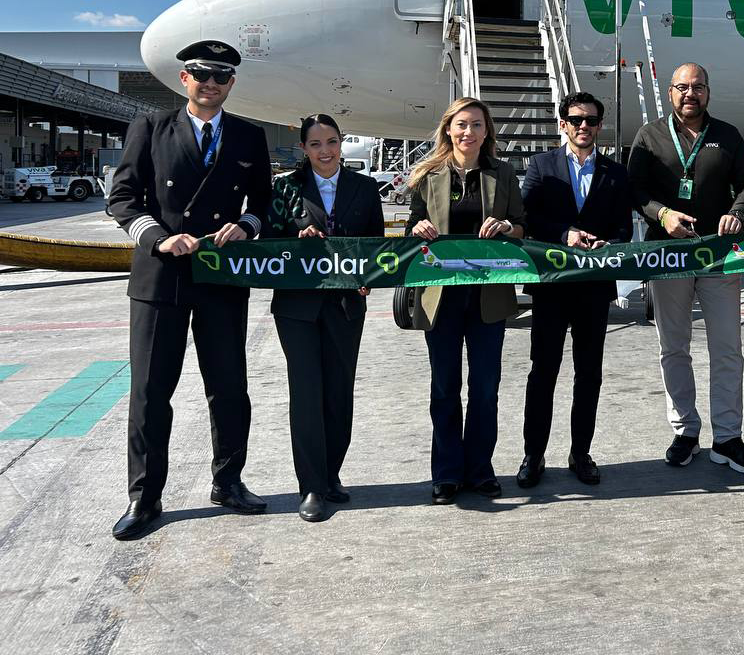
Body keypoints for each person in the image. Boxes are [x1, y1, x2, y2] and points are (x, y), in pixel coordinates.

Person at [106, 40, 272, 540]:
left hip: (220, 275)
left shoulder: (248, 135)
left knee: (229, 387)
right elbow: (122, 198)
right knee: (150, 391)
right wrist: (158, 237)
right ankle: (144, 496)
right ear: (185, 79)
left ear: (231, 83)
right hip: (162, 277)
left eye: (221, 76)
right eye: (202, 74)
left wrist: (246, 225)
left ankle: (228, 481)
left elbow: (263, 203)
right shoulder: (151, 127)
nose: (211, 83)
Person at [627, 62, 744, 474]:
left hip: (717, 255)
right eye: (683, 87)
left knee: (728, 349)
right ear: (670, 92)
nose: (691, 94)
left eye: (698, 87)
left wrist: (738, 213)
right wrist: (662, 213)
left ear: (708, 92)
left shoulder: (727, 135)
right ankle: (685, 430)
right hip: (668, 256)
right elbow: (634, 190)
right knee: (674, 347)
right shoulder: (649, 135)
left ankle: (728, 437)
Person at [406, 97, 526, 505]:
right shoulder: (428, 174)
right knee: (444, 388)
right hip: (441, 298)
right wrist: (417, 228)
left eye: (476, 124)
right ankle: (446, 473)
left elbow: (521, 225)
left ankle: (480, 470)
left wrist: (507, 226)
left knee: (485, 389)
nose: (468, 132)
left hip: (487, 297)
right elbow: (411, 229)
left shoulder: (502, 173)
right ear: (448, 129)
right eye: (461, 124)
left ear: (486, 131)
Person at [266, 114, 386, 522]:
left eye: (331, 142)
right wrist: (295, 238)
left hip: (346, 304)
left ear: (341, 142)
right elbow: (268, 241)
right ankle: (312, 486)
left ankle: (331, 473)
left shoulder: (365, 188)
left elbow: (375, 245)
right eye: (315, 144)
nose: (325, 151)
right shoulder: (285, 188)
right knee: (306, 394)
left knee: (338, 392)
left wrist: (369, 278)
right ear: (303, 148)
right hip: (297, 307)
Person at [517, 92, 633, 488]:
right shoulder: (541, 165)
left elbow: (624, 227)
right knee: (543, 371)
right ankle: (533, 454)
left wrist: (607, 243)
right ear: (563, 123)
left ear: (600, 126)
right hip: (552, 286)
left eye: (592, 120)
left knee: (589, 374)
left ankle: (580, 453)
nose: (585, 126)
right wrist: (564, 233)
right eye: (577, 119)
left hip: (594, 287)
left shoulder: (615, 173)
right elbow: (528, 217)